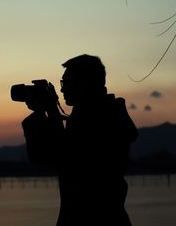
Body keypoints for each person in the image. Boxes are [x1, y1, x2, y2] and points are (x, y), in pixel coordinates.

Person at [21, 54, 138, 226]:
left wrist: (44, 112)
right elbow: (64, 153)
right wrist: (49, 109)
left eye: (66, 83)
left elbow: (59, 158)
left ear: (84, 83)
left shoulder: (99, 118)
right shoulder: (100, 113)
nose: (62, 90)